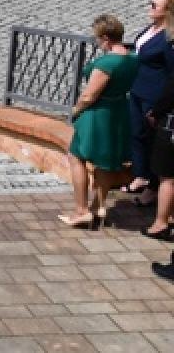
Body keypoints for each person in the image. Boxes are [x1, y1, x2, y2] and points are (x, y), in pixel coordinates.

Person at [61, 14, 137, 228]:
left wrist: (75, 111)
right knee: (105, 161)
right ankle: (98, 206)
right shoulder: (133, 58)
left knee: (76, 156)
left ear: (105, 38)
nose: (96, 42)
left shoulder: (107, 63)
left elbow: (89, 95)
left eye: (97, 38)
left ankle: (81, 210)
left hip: (98, 115)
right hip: (119, 111)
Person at [128, 0, 174, 203]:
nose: (150, 7)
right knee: (137, 134)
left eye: (155, 5)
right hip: (137, 90)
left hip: (154, 95)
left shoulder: (169, 37)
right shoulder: (150, 29)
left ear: (167, 11)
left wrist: (160, 106)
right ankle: (140, 176)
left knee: (153, 141)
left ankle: (153, 188)